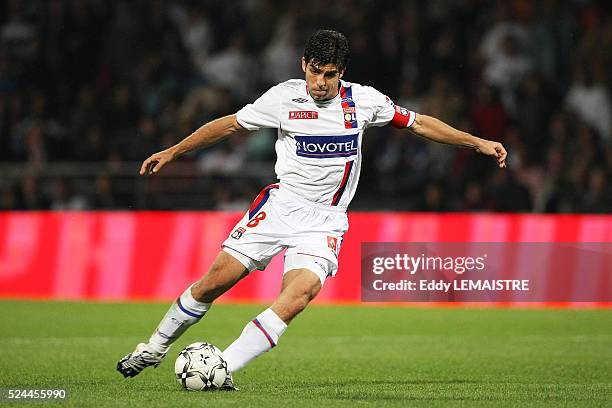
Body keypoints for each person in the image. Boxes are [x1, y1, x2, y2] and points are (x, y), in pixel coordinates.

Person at [116, 29, 507, 388]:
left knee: (298, 296)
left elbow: (419, 124)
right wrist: (174, 151)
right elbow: (231, 125)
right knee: (214, 283)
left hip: (325, 222)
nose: (321, 83)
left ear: (343, 72)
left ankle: (221, 368)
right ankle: (153, 347)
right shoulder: (283, 98)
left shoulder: (365, 101)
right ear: (303, 64)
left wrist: (476, 142)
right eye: (315, 72)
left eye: (330, 75)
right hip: (281, 206)